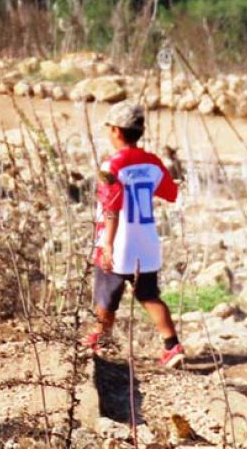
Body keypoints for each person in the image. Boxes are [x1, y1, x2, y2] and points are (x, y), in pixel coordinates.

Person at [85, 102, 184, 368]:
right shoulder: (152, 162)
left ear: (116, 131)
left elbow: (111, 207)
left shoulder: (112, 166)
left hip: (120, 242)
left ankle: (101, 340)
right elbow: (171, 194)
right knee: (149, 296)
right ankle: (172, 346)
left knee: (106, 296)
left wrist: (107, 243)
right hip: (146, 242)